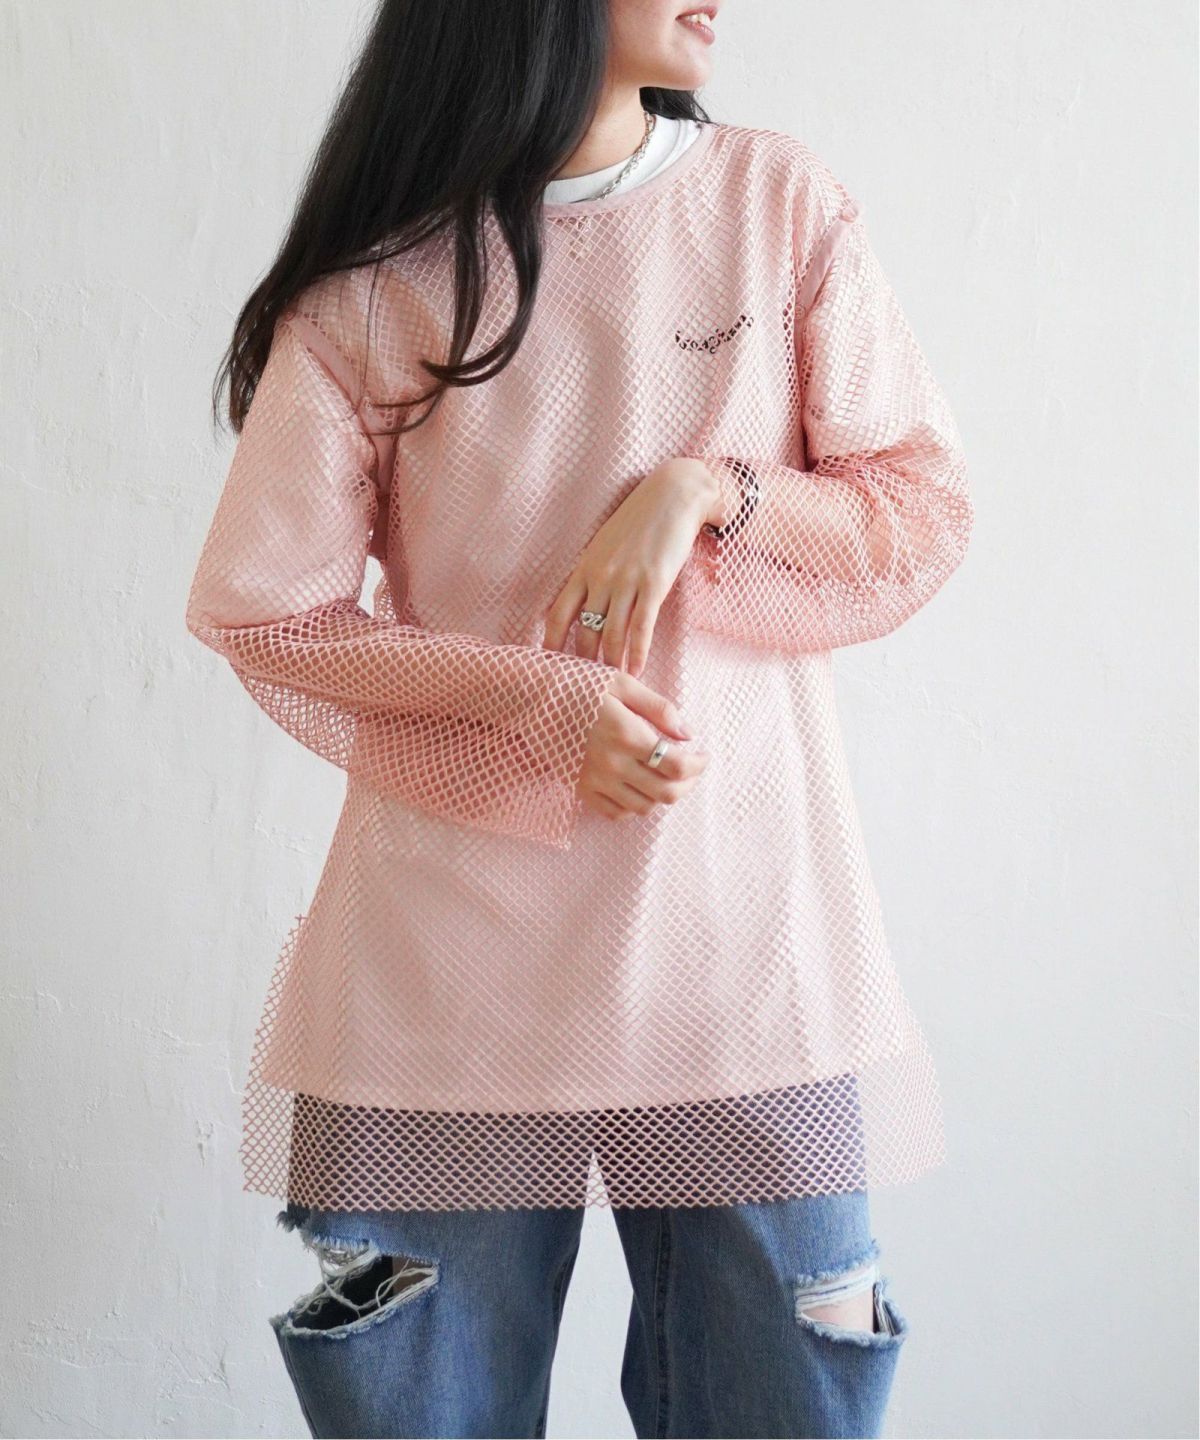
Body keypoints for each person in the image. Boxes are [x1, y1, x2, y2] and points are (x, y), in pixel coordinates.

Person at [184, 1, 974, 1435]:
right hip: (446, 985)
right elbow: (265, 610)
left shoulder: (776, 206)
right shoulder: (385, 282)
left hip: (739, 956)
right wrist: (543, 707)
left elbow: (919, 516)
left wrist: (710, 490)